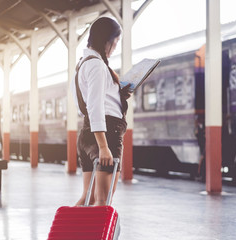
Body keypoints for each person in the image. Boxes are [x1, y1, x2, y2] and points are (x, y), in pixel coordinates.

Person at [71, 17, 131, 206]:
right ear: (108, 40)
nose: (115, 47)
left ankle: (70, 234)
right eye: (116, 42)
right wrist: (104, 147)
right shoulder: (97, 65)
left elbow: (86, 105)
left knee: (88, 199)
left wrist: (118, 95)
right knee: (103, 201)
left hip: (89, 133)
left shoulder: (83, 63)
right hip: (106, 134)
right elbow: (95, 106)